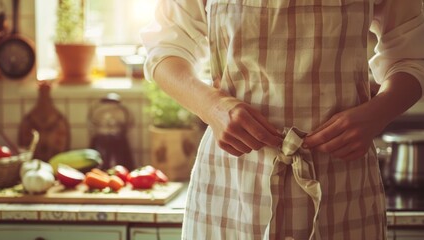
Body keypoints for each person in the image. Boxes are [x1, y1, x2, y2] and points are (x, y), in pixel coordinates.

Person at [140, 0, 424, 239]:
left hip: (343, 189)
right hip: (232, 190)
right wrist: (212, 107)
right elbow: (165, 49)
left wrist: (378, 113)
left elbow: (412, 55)